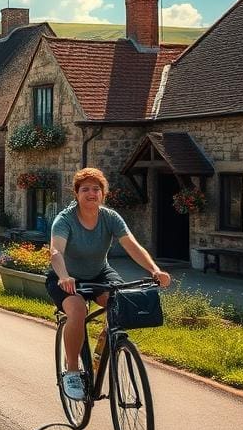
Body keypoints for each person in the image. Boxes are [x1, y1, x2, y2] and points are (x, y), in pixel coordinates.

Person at [48, 167, 171, 400]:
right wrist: (64, 276)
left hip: (99, 273)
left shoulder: (110, 217)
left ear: (103, 194)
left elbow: (132, 245)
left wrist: (155, 270)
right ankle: (72, 370)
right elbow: (56, 251)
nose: (91, 193)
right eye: (85, 189)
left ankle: (108, 345)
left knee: (119, 304)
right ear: (77, 194)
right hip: (65, 276)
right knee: (77, 311)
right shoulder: (65, 219)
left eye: (96, 189)